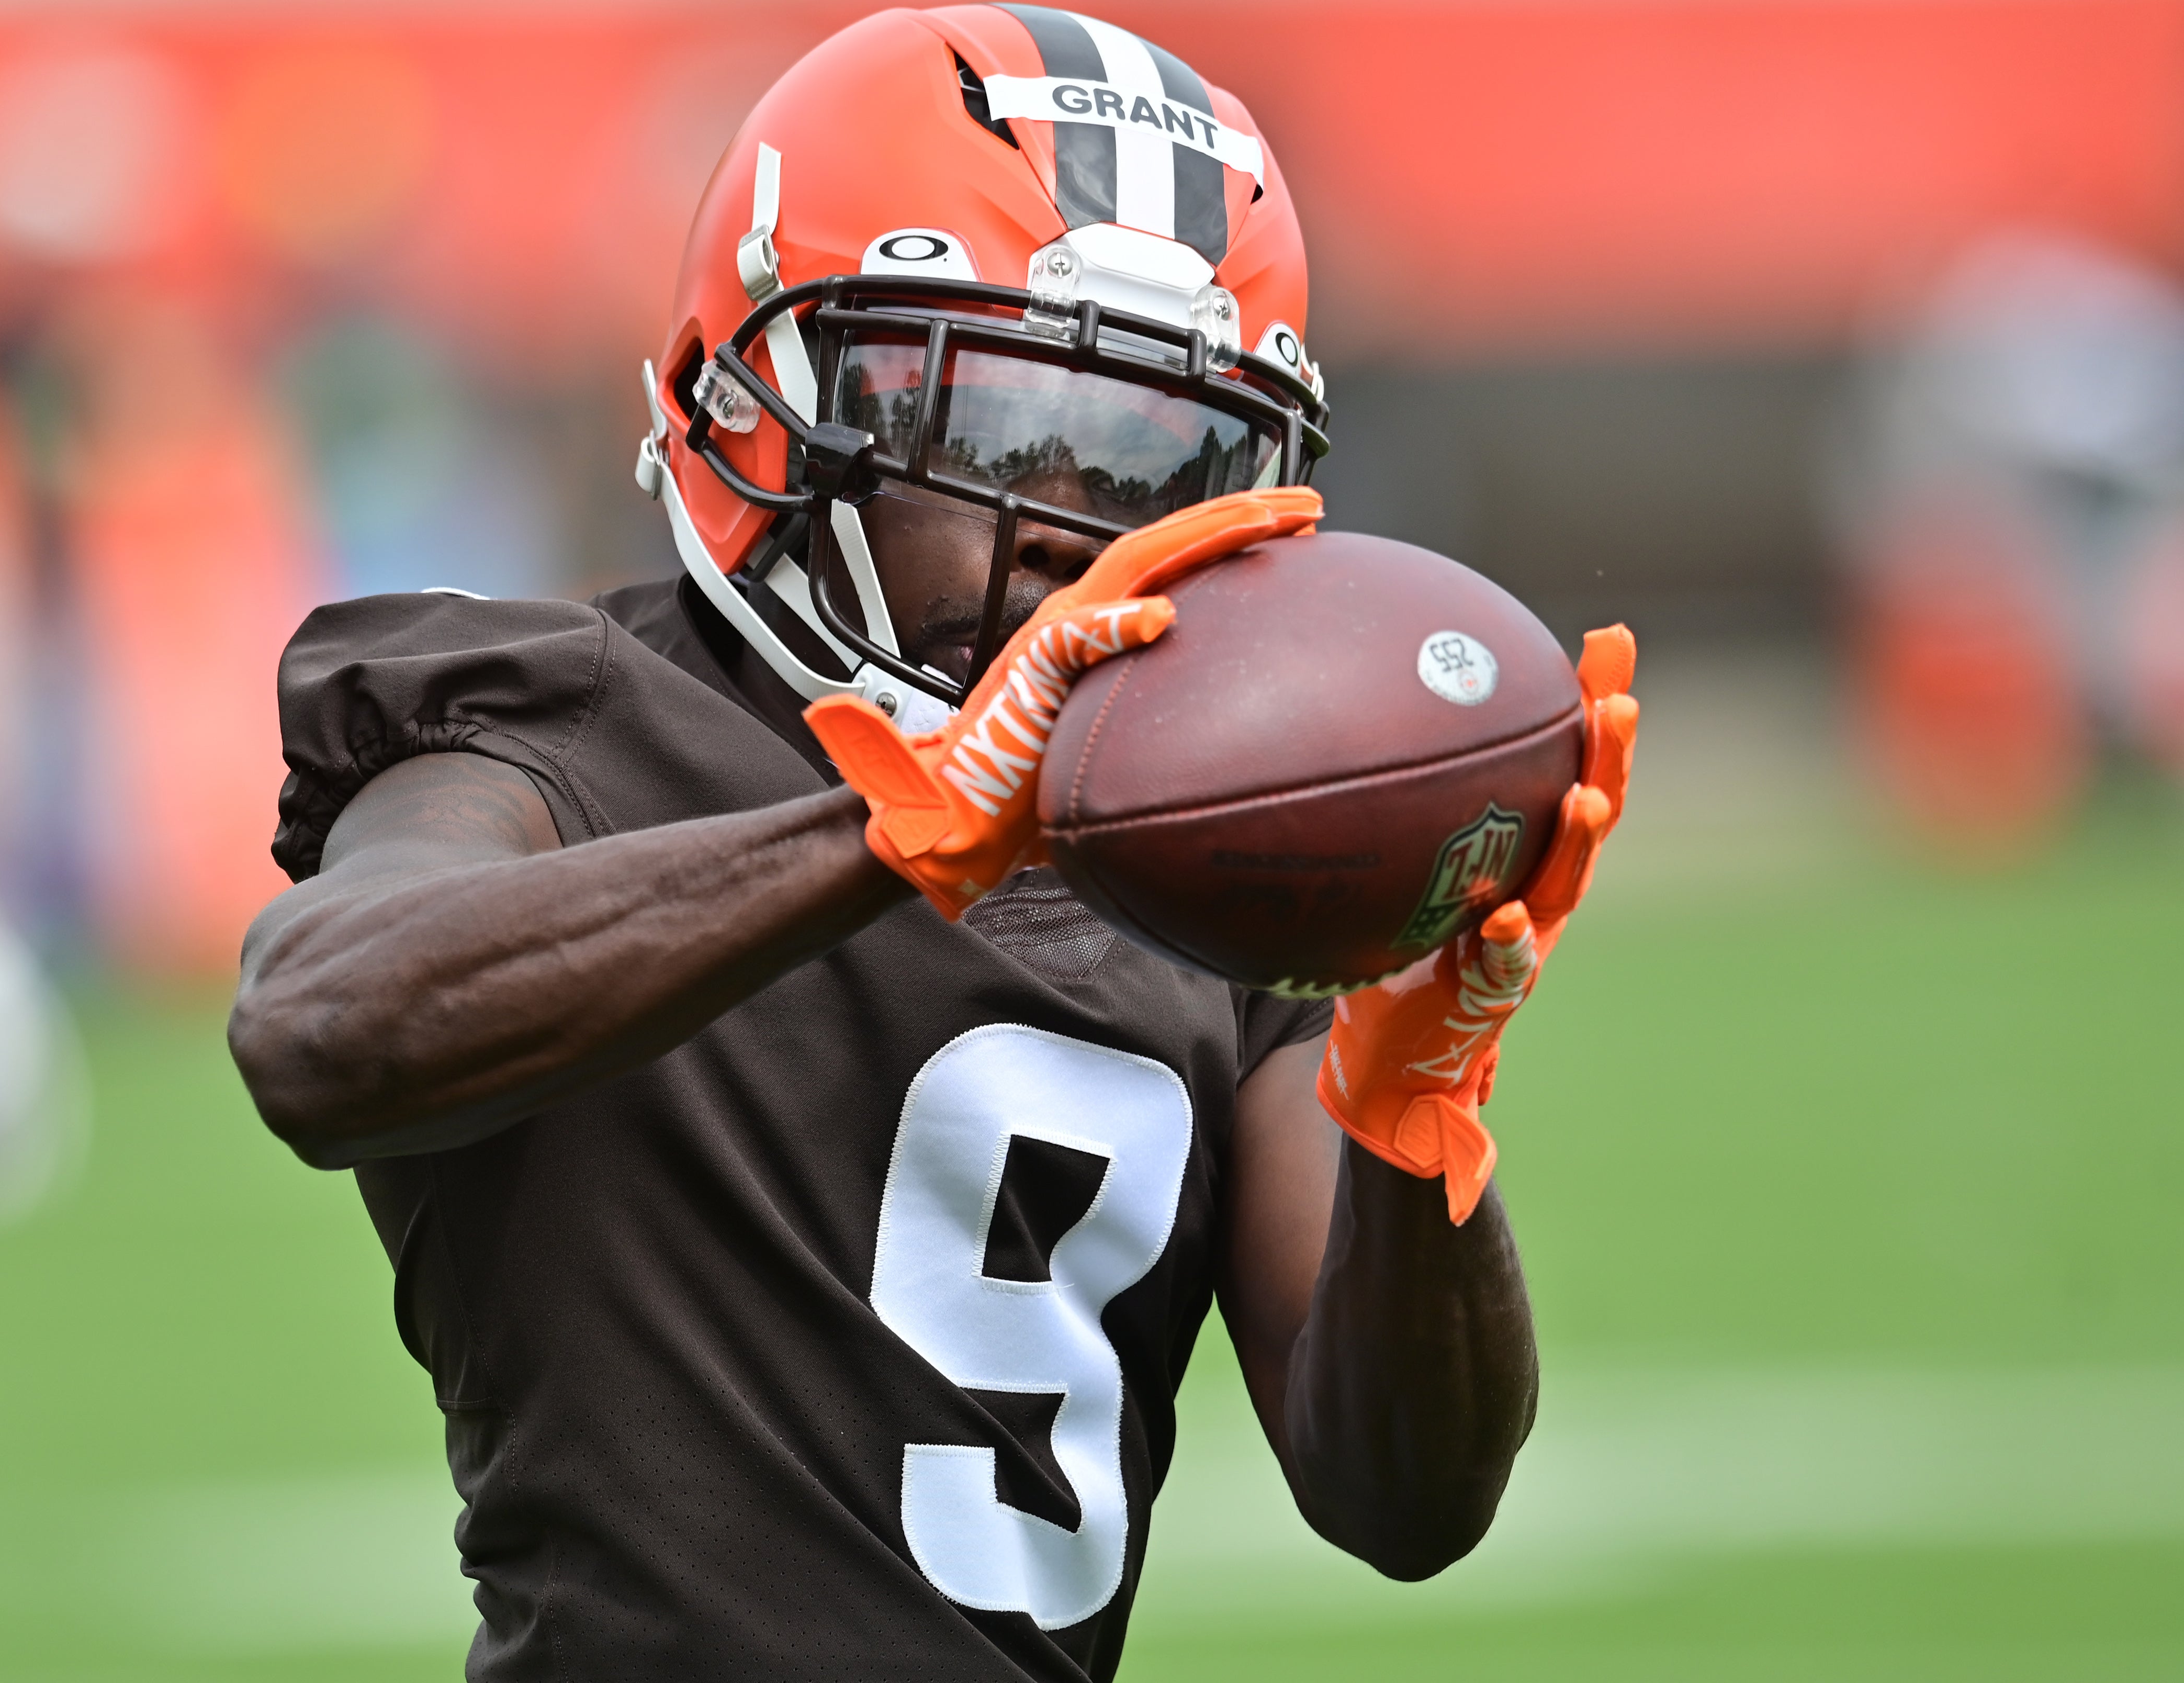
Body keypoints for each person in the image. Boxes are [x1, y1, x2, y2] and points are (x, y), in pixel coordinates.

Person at [227, 9, 1637, 1677]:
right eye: (989, 434)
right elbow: (317, 1029)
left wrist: (1416, 1136)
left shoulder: (1198, 855)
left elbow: (1403, 1501)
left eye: (1162, 461)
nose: (1071, 531)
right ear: (760, 395)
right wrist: (889, 834)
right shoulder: (552, 726)